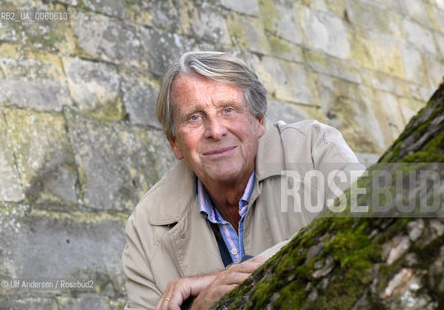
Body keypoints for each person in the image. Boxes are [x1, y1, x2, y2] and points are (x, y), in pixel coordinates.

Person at [122, 51, 364, 310]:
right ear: (175, 143)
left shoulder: (314, 149)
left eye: (228, 110)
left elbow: (367, 228)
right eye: (195, 117)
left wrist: (228, 281)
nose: (215, 131)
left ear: (259, 121)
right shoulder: (146, 225)